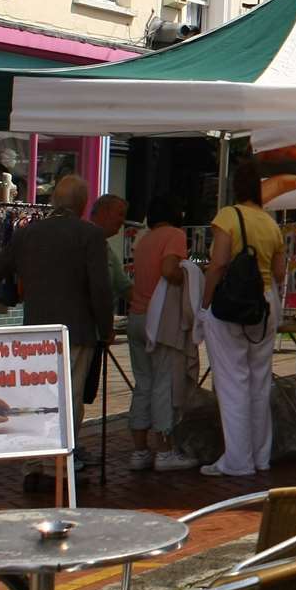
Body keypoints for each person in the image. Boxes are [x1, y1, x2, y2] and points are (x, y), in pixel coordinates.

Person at [0, 174, 113, 490]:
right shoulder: (90, 235)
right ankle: (60, 467)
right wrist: (106, 327)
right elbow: (100, 287)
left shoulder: (29, 233)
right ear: (83, 204)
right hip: (76, 329)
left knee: (38, 397)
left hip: (38, 330)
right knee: (68, 399)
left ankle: (34, 465)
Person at [200, 161, 287, 477]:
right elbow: (279, 273)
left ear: (235, 186)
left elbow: (218, 263)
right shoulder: (270, 223)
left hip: (230, 305)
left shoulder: (228, 217)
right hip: (265, 305)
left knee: (232, 382)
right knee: (259, 381)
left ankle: (237, 461)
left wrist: (205, 302)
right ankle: (261, 457)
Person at [127, 195, 199, 472]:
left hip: (136, 316)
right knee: (164, 384)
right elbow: (170, 270)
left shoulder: (143, 239)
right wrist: (190, 276)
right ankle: (165, 451)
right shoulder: (175, 235)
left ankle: (140, 451)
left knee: (143, 383)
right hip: (160, 321)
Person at [90, 193, 133, 302]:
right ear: (104, 212)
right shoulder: (80, 241)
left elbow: (124, 287)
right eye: (120, 214)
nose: (123, 221)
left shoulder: (105, 247)